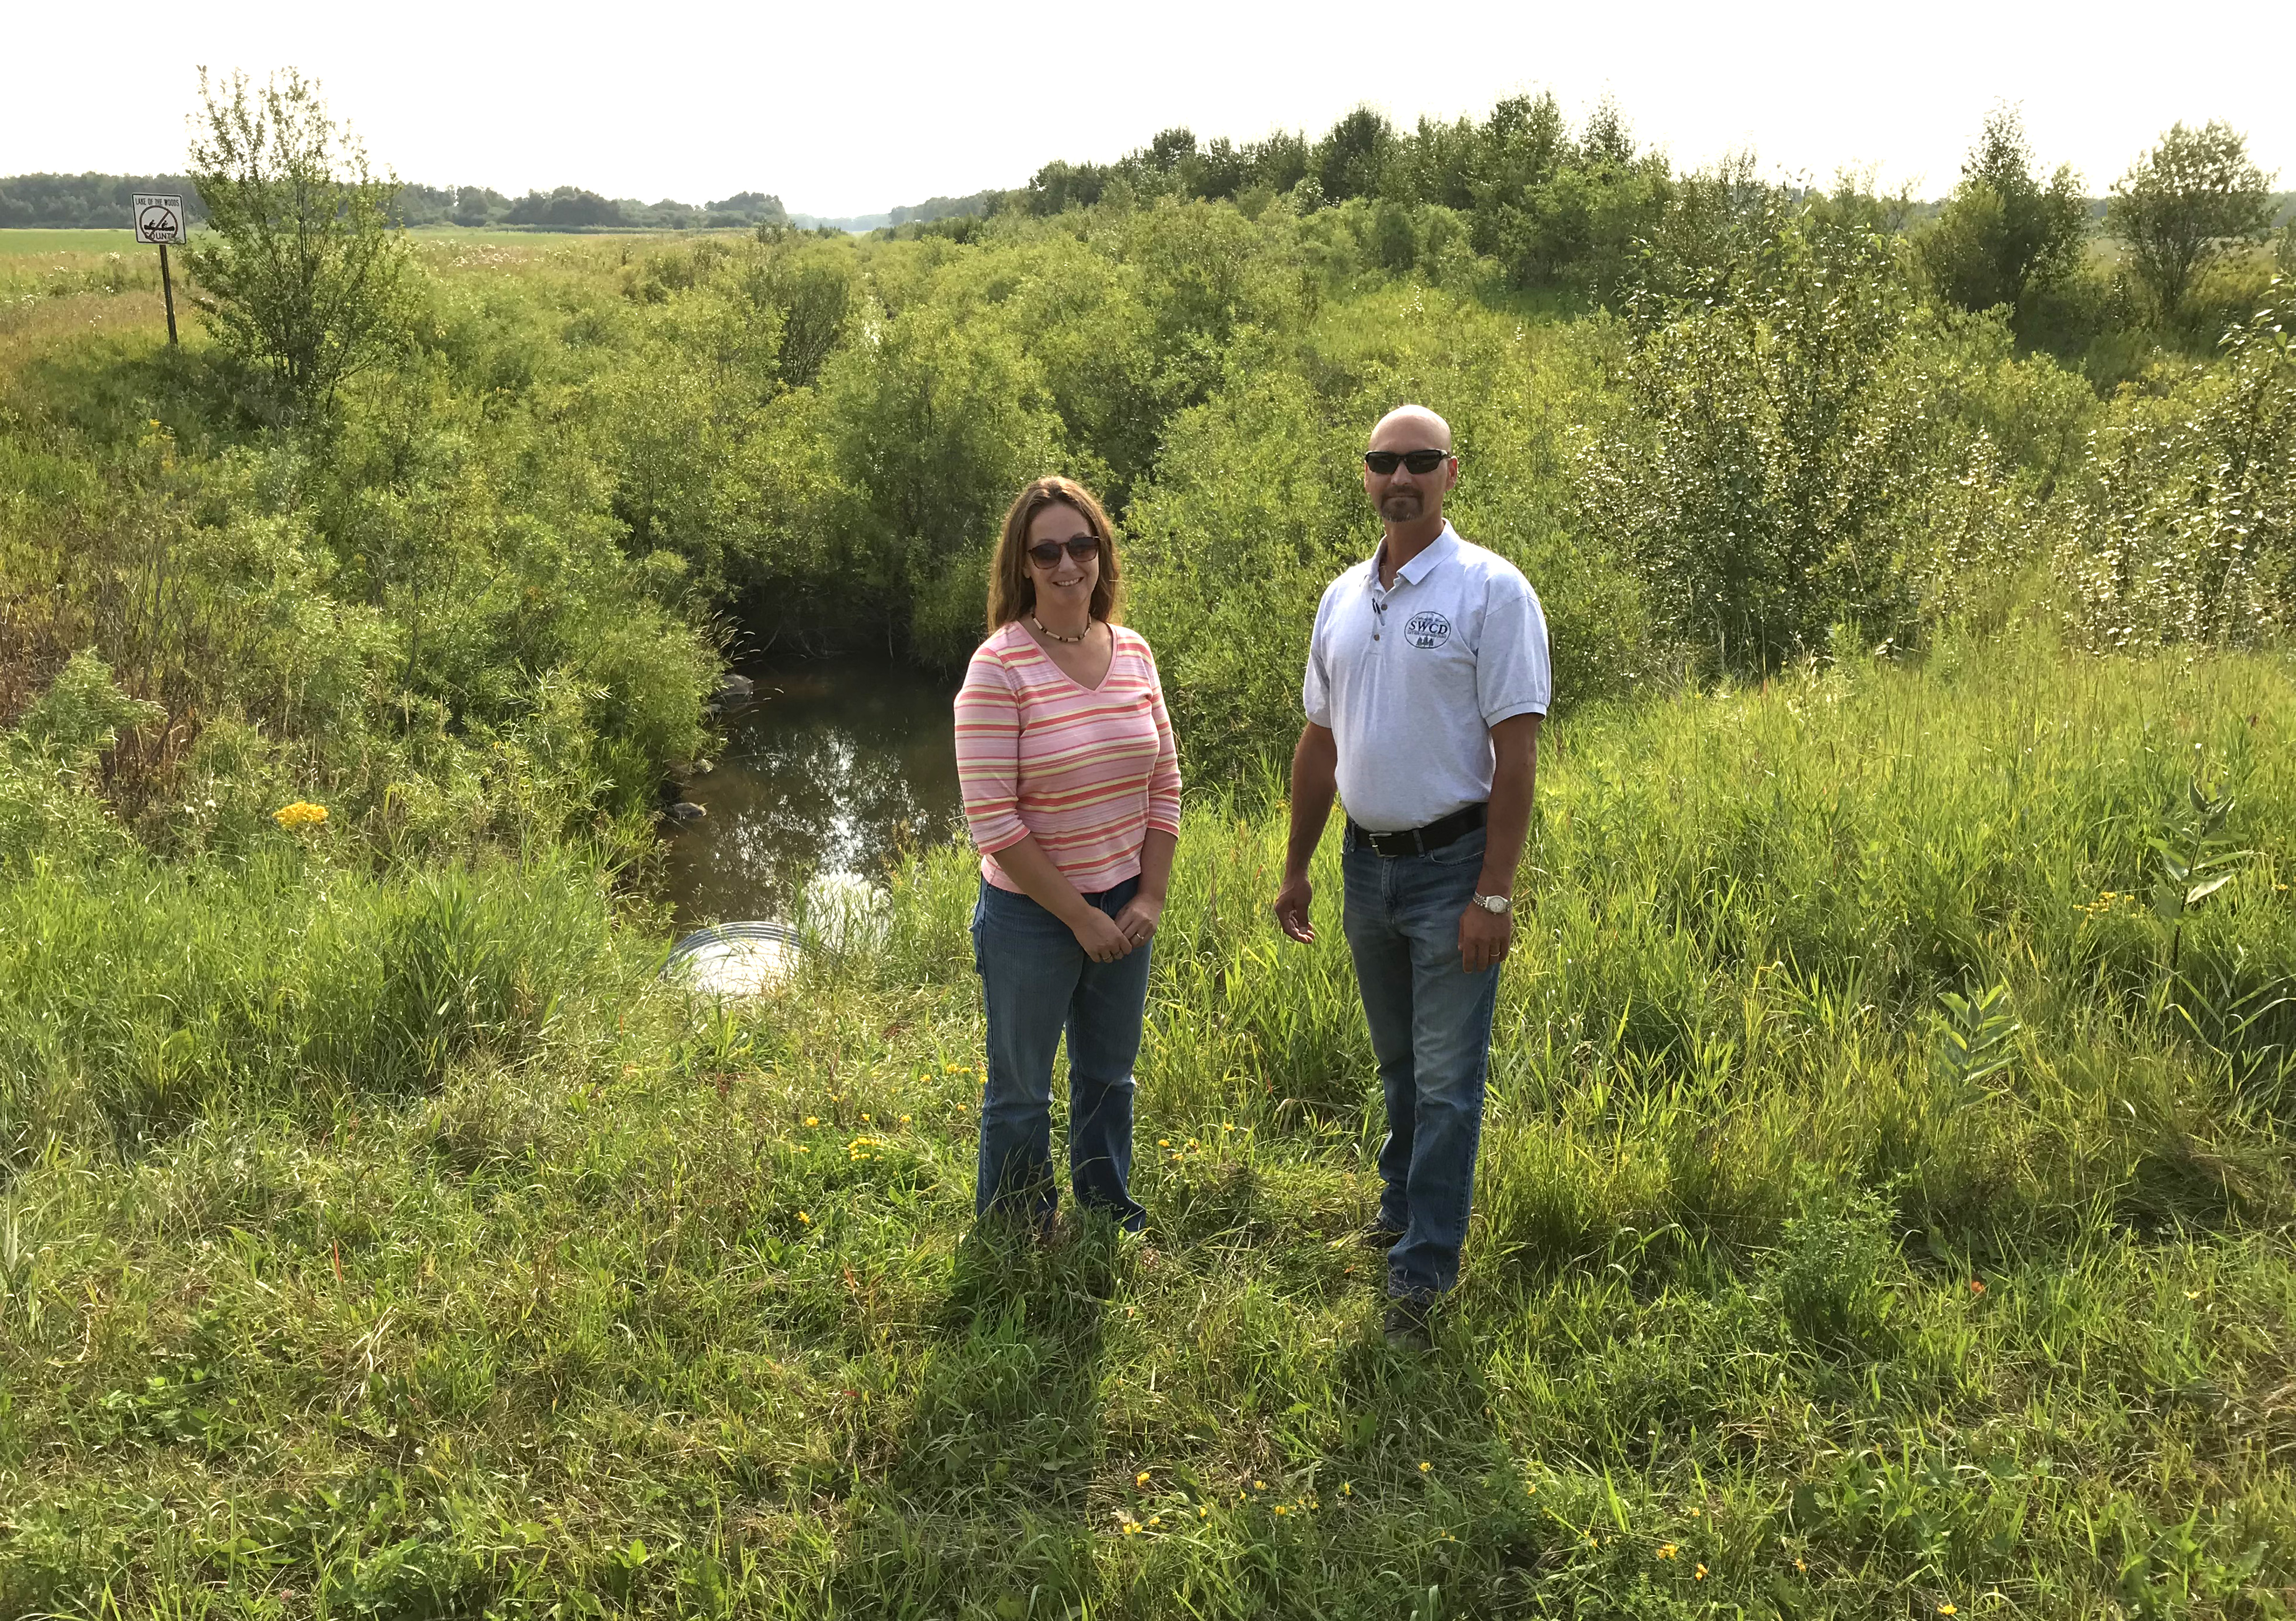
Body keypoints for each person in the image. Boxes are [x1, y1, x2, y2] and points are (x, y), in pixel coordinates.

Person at [1272, 405, 1550, 1351]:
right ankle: (1400, 1208)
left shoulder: (1490, 591)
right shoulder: (1343, 597)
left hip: (1453, 873)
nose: (1402, 477)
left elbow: (1517, 757)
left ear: (1451, 472)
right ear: (1366, 477)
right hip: (1366, 869)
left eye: (1419, 462)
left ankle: (1425, 1273)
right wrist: (1297, 866)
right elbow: (1320, 742)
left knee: (1448, 1080)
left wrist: (1494, 895)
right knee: (1399, 1066)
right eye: (1385, 462)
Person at [954, 476, 1181, 1234]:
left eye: (1081, 545)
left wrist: (1146, 897)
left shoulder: (1136, 652)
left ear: (1100, 552)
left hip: (1125, 904)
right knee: (1021, 1087)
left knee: (1110, 1077)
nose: (1066, 564)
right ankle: (1019, 1226)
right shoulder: (998, 669)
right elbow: (995, 821)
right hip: (1031, 917)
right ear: (1023, 564)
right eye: (1045, 550)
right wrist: (1080, 916)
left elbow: (1165, 781)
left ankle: (1106, 1210)